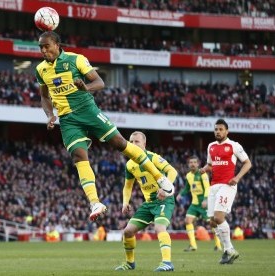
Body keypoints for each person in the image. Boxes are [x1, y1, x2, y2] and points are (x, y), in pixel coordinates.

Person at [35, 31, 173, 222]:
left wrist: (86, 88)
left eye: (46, 46)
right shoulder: (41, 69)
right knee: (78, 155)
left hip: (88, 110)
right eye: (41, 47)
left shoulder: (77, 60)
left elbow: (99, 82)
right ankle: (95, 202)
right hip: (67, 119)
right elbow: (44, 96)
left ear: (57, 44)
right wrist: (50, 115)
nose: (43, 50)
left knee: (120, 144)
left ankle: (160, 178)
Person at [115, 131, 177, 272]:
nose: (133, 144)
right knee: (128, 231)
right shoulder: (130, 165)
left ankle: (167, 263)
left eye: (137, 141)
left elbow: (172, 171)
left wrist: (166, 188)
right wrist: (125, 202)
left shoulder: (153, 158)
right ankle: (130, 263)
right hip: (148, 203)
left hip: (164, 200)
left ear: (144, 144)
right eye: (131, 141)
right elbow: (128, 186)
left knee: (159, 228)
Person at [200, 118, 251, 265]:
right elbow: (211, 165)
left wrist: (237, 177)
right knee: (211, 221)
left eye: (221, 129)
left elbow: (248, 163)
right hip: (213, 185)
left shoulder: (234, 145)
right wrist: (204, 169)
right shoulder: (211, 146)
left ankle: (230, 249)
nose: (218, 132)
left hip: (227, 185)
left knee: (218, 216)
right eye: (216, 129)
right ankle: (227, 252)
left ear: (226, 131)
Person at [176, 156, 222, 252]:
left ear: (198, 163)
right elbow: (187, 188)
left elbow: (207, 188)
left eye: (194, 162)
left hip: (204, 203)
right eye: (190, 162)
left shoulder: (202, 174)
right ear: (188, 164)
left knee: (212, 223)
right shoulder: (188, 175)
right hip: (194, 204)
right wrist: (180, 194)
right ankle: (193, 245)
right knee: (188, 220)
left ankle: (218, 245)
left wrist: (205, 199)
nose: (192, 164)